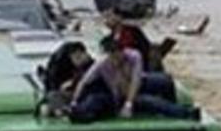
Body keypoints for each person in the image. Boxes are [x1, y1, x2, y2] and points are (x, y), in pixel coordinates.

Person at [69, 36, 199, 123]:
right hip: (120, 96)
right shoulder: (102, 65)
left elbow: (136, 80)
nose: (115, 58)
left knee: (164, 80)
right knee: (151, 102)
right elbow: (83, 82)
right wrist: (74, 102)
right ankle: (185, 113)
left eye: (117, 53)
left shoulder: (134, 56)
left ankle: (174, 106)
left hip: (137, 84)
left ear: (122, 50)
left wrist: (129, 104)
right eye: (111, 55)